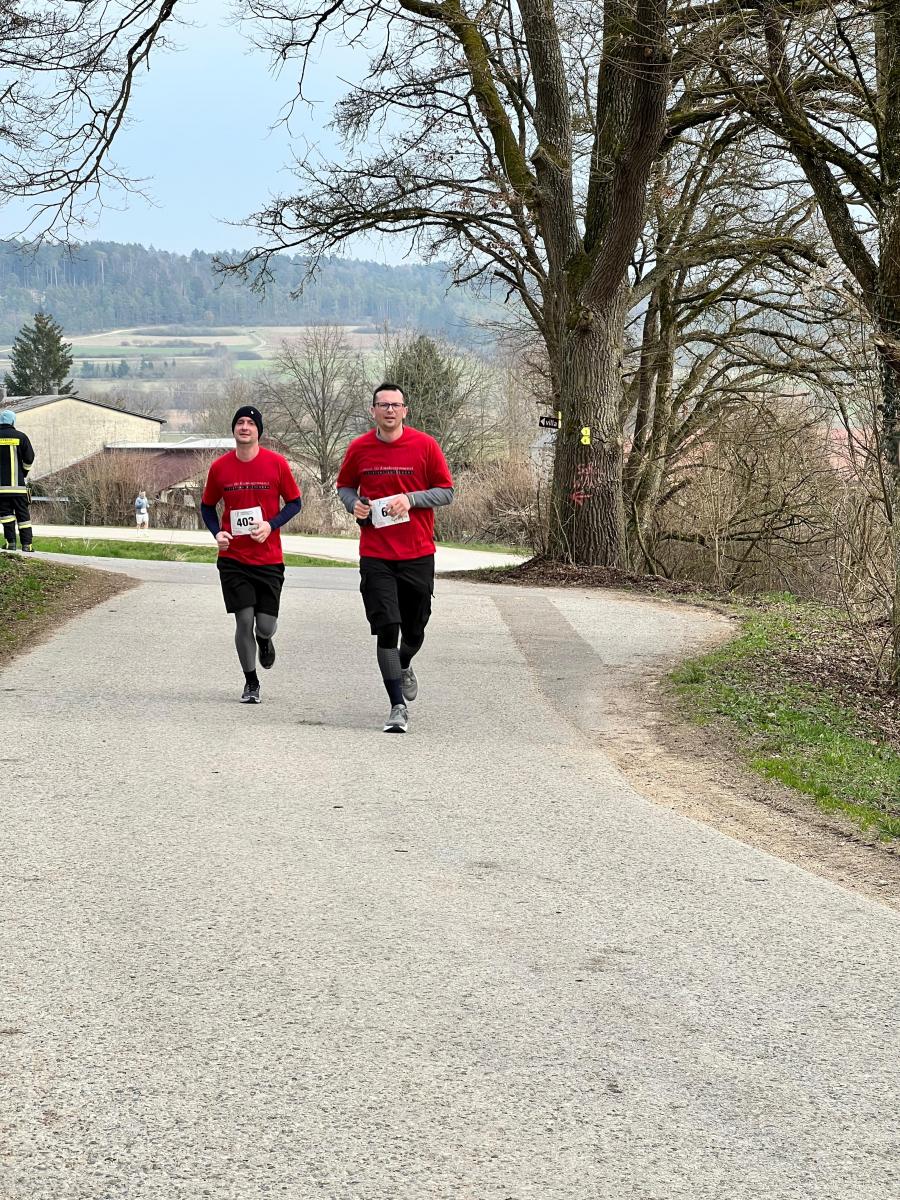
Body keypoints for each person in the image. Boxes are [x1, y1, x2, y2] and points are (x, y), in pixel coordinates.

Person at [336, 382, 454, 733]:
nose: (389, 410)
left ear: (405, 410)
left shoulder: (425, 445)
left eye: (395, 405)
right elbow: (345, 486)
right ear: (372, 410)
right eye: (383, 404)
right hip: (376, 554)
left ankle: (404, 663)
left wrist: (411, 499)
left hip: (417, 552)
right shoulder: (359, 448)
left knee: (415, 629)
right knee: (387, 627)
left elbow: (446, 492)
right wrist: (353, 505)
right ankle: (397, 706)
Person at [200, 405, 302, 704]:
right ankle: (251, 682)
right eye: (240, 422)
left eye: (251, 423)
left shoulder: (276, 464)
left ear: (259, 431)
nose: (245, 427)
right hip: (234, 559)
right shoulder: (220, 467)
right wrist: (217, 533)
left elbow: (295, 503)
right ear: (234, 429)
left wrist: (271, 525)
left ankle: (264, 639)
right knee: (244, 620)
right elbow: (207, 506)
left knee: (265, 625)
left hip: (269, 559)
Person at [0, 408, 35, 553]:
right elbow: (29, 458)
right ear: (13, 421)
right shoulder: (21, 437)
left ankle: (11, 543)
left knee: (6, 516)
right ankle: (27, 545)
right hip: (18, 487)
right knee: (23, 516)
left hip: (1, 489)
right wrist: (24, 473)